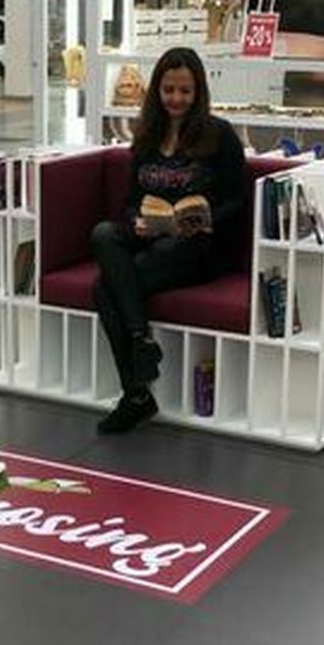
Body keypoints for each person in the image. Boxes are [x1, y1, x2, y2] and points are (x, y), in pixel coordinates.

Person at [90, 47, 245, 434]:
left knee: (103, 289)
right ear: (157, 90)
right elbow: (129, 201)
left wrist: (206, 218)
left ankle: (136, 395)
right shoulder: (146, 136)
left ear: (198, 92)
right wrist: (137, 221)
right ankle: (141, 341)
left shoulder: (219, 135)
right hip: (153, 238)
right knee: (104, 233)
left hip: (198, 247)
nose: (176, 99)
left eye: (185, 92)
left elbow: (237, 199)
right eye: (169, 90)